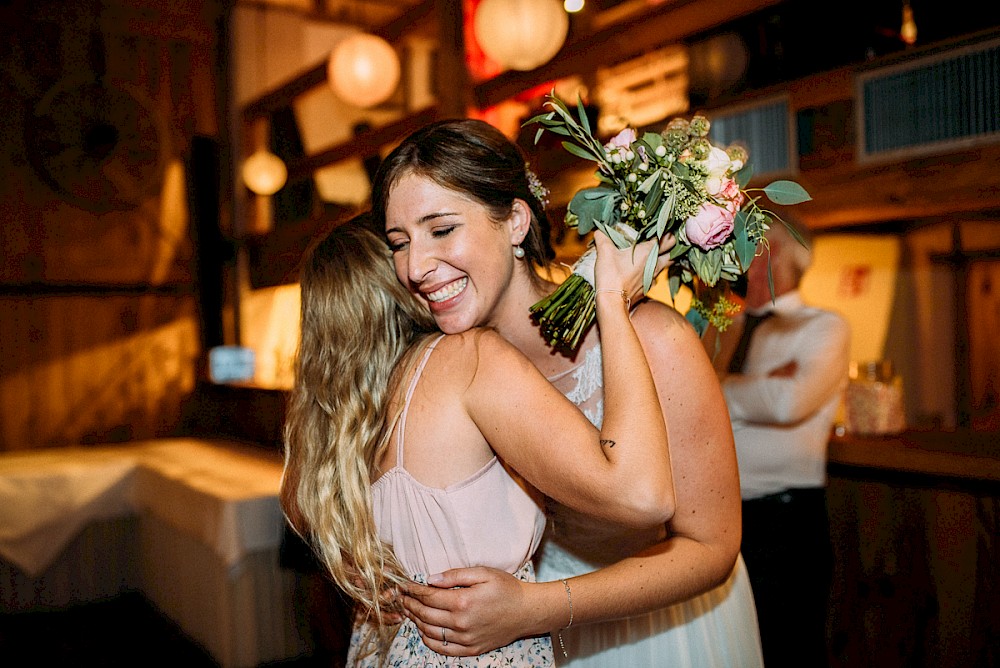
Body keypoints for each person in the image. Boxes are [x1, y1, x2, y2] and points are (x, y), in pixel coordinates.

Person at [370, 118, 764, 666]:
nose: (415, 267)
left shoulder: (656, 338)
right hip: (517, 634)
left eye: (441, 230)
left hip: (653, 633)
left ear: (513, 221)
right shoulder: (446, 362)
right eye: (399, 242)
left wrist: (537, 609)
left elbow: (712, 547)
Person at [281, 218, 677, 666]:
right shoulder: (466, 360)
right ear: (393, 282)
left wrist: (365, 561)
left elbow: (299, 503)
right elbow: (643, 495)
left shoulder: (337, 420)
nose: (421, 265)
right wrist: (611, 298)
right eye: (401, 247)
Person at [712, 220, 851, 667]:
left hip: (785, 520)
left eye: (748, 247)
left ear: (775, 255)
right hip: (718, 517)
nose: (735, 258)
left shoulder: (823, 327)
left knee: (789, 650)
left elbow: (788, 402)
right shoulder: (721, 326)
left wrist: (717, 387)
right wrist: (752, 388)